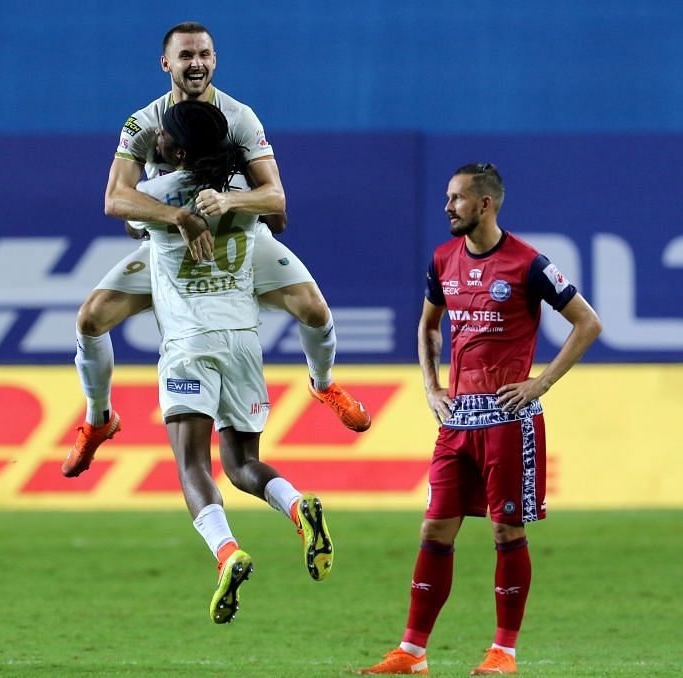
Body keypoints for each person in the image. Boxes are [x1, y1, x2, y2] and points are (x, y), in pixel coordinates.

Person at [62, 22, 370, 478]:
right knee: (90, 319)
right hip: (169, 248)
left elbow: (276, 198)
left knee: (315, 310)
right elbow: (114, 199)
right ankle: (99, 418)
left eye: (204, 54)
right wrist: (180, 217)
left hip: (240, 240)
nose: (196, 63)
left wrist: (229, 201)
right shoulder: (144, 123)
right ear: (166, 63)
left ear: (215, 59)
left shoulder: (239, 116)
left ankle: (323, 385)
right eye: (185, 55)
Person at [359, 164, 602, 675]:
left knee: (505, 533)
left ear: (485, 204)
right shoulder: (442, 259)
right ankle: (412, 652)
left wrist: (541, 382)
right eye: (447, 198)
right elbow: (428, 326)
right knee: (433, 531)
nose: (447, 207)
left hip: (508, 422)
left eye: (457, 199)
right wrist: (431, 387)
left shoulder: (528, 263)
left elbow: (588, 322)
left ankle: (503, 653)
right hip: (456, 424)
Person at [124, 99, 334, 624]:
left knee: (192, 464)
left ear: (175, 148)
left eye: (165, 139)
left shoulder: (156, 193)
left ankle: (226, 552)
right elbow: (279, 214)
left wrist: (171, 208)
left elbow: (122, 213)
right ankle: (296, 506)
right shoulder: (243, 196)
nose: (159, 143)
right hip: (243, 341)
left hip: (189, 344)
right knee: (241, 465)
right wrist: (236, 193)